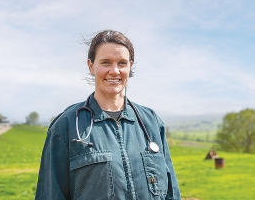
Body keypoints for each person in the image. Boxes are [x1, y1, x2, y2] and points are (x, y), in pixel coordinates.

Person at [35, 30, 181, 200]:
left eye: (122, 63)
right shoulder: (66, 125)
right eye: (105, 62)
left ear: (130, 67)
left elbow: (172, 192)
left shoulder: (152, 122)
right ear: (91, 66)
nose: (114, 71)